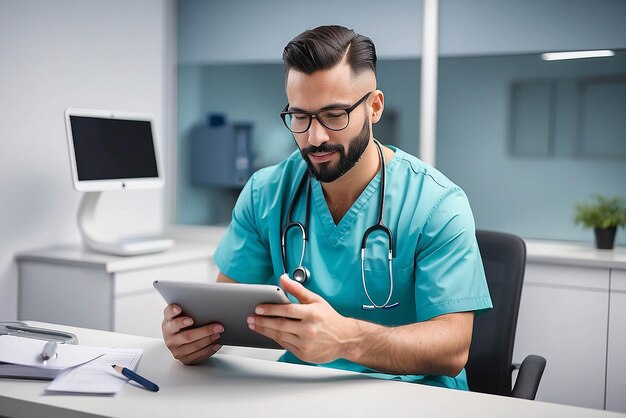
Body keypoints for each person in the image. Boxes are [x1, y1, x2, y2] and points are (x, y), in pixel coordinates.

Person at [162, 25, 492, 390]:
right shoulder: (265, 193)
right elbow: (223, 312)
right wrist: (196, 337)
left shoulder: (437, 204)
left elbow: (452, 348)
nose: (314, 138)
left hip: (412, 396)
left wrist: (346, 339)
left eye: (334, 115)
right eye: (299, 117)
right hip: (300, 390)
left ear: (374, 107)